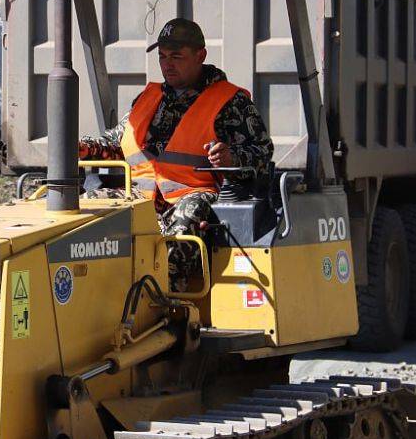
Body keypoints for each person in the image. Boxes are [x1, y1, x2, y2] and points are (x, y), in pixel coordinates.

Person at [79, 18, 273, 287]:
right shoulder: (149, 98)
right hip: (139, 195)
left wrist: (232, 157)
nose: (167, 64)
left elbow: (262, 153)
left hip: (191, 194)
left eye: (176, 56)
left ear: (200, 56)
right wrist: (82, 147)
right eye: (162, 56)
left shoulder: (231, 102)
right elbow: (116, 142)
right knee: (84, 210)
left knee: (184, 223)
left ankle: (163, 301)